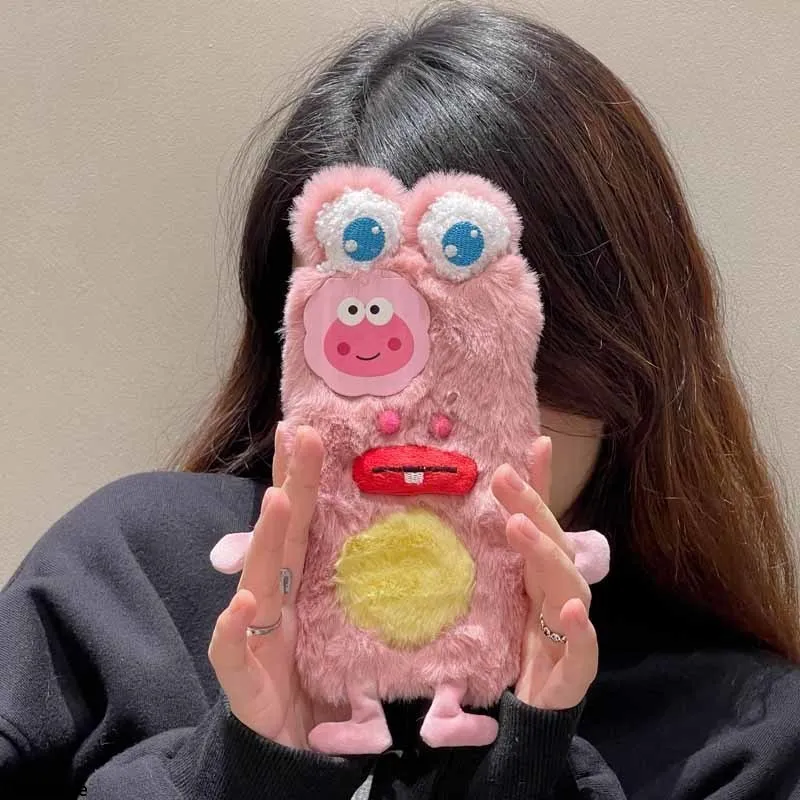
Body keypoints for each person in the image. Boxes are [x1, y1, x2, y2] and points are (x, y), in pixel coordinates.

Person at [2, 3, 800, 798]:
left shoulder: (741, 739)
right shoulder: (125, 582)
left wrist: (524, 768)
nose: (412, 406)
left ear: (613, 348)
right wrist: (239, 772)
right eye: (358, 337)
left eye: (472, 344)